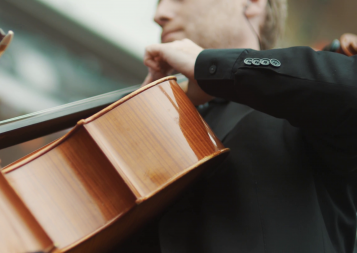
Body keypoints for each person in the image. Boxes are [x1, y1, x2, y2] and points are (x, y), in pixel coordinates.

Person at [111, 0, 357, 252]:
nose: (159, 14)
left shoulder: (308, 107)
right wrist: (135, 128)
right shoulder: (163, 122)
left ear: (251, 3)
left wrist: (205, 64)